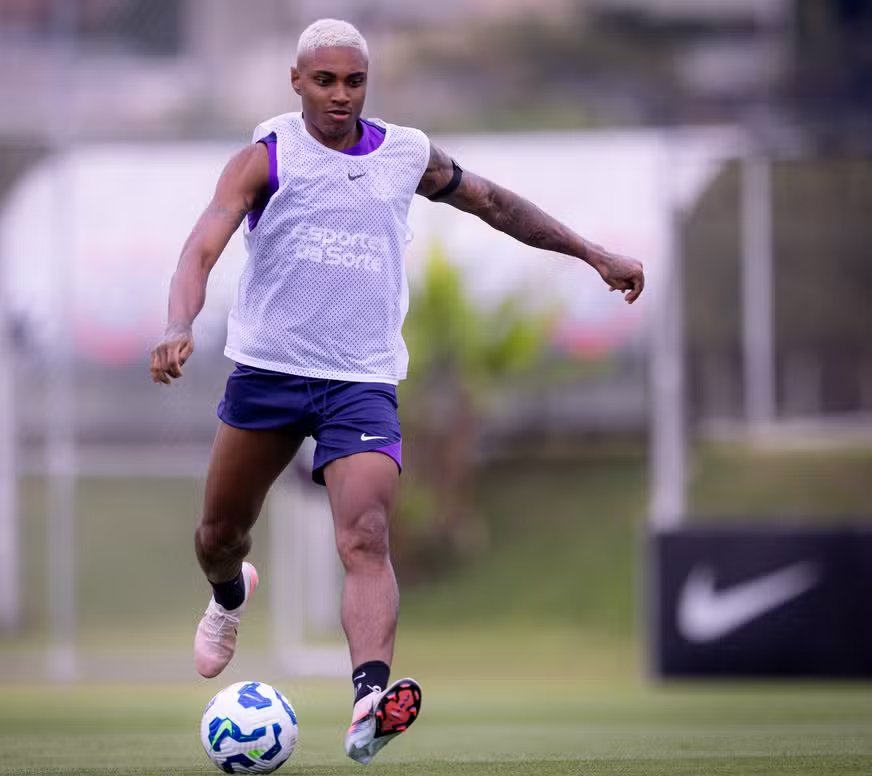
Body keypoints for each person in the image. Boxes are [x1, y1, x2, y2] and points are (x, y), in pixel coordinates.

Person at [150, 18, 644, 766]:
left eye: (354, 81)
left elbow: (494, 202)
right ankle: (228, 596)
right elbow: (202, 245)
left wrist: (593, 253)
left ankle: (368, 703)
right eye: (324, 80)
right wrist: (177, 323)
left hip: (361, 381)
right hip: (270, 373)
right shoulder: (267, 158)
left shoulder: (404, 154)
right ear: (296, 81)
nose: (340, 95)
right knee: (218, 536)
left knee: (366, 535)